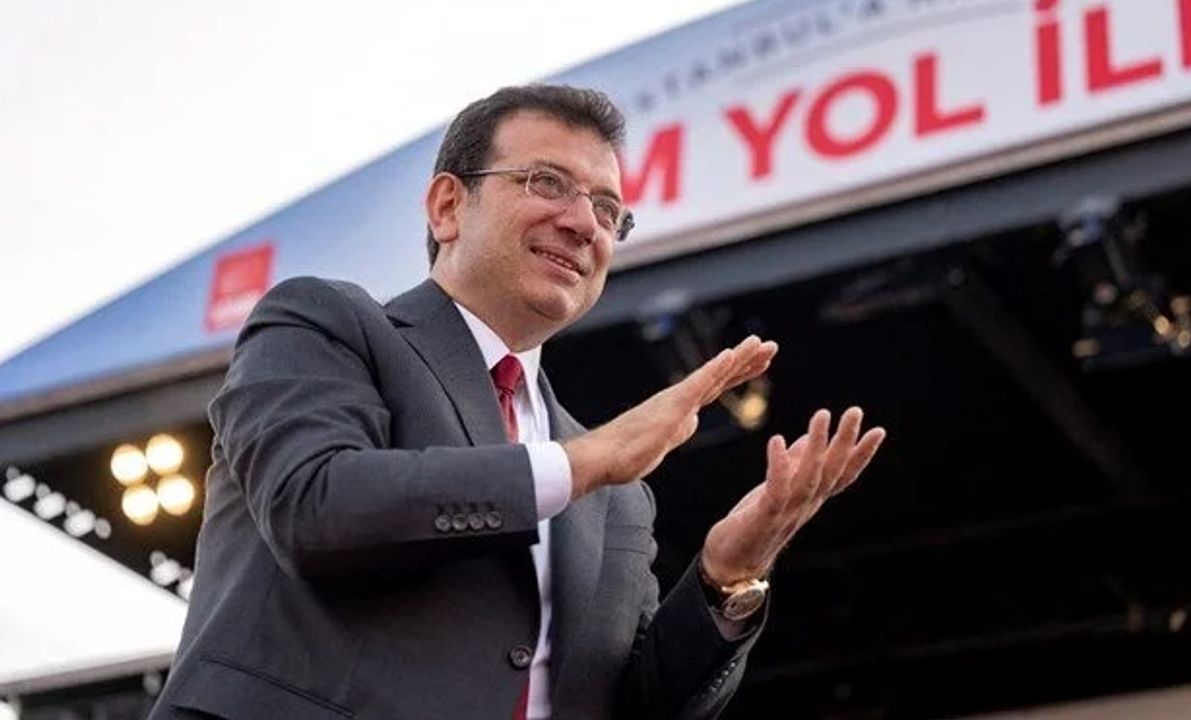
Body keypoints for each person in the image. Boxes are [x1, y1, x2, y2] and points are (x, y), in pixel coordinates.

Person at [148, 84, 885, 720]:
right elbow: (317, 506)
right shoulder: (325, 324)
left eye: (608, 209)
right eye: (546, 182)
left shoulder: (618, 498)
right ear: (448, 206)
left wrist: (727, 577)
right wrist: (581, 463)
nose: (584, 223)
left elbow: (638, 705)